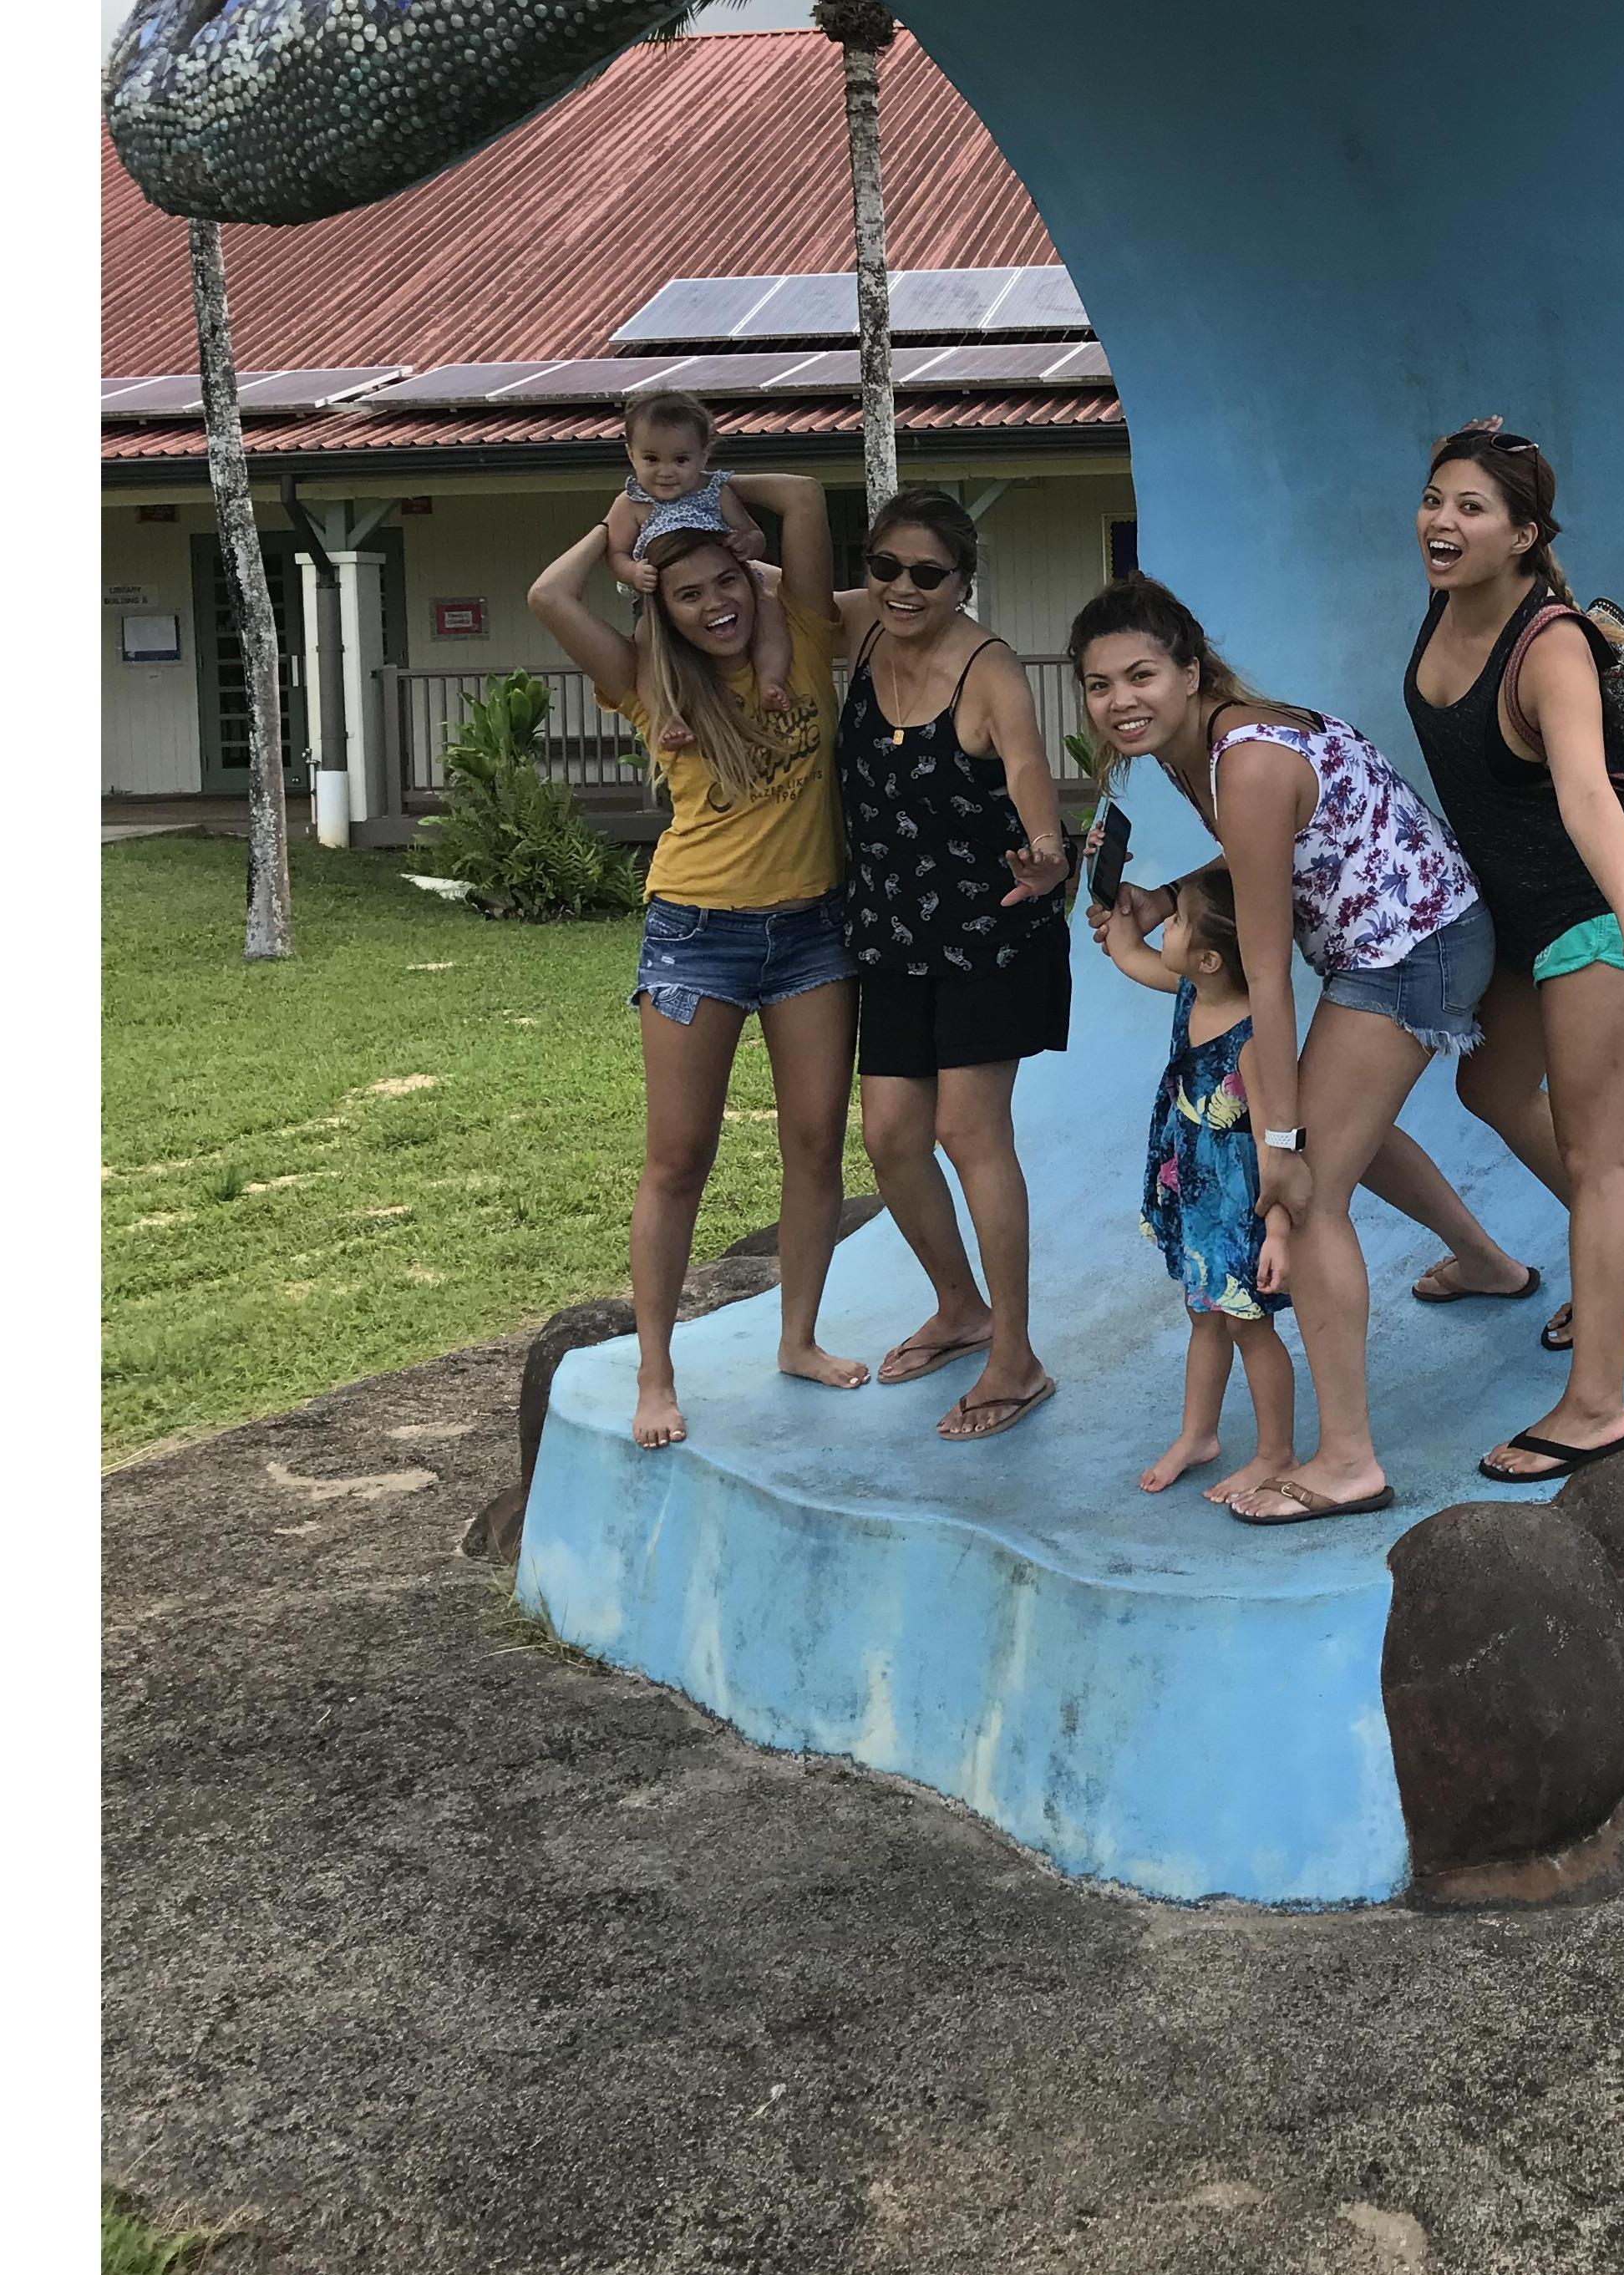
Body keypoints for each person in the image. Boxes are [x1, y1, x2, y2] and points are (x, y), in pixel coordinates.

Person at [1070, 575, 1531, 1526]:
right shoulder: (1196, 745)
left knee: (1309, 1182)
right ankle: (1487, 1262)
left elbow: (1270, 979)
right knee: (1336, 1130)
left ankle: (1350, 1461)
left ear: (1190, 672)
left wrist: (1277, 1139)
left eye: (1142, 675)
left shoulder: (1242, 761)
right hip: (1420, 926)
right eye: (1099, 684)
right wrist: (1164, 899)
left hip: (1413, 948)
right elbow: (1260, 852)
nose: (1121, 701)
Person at [1404, 419, 1624, 1481]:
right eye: (1435, 499)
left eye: (1471, 507)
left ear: (1524, 536)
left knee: (1603, 1159)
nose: (1442, 521)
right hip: (1515, 910)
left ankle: (1597, 1409)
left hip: (1600, 909)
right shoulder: (1448, 603)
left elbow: (1588, 788)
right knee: (1493, 1090)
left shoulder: (1549, 643)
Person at [525, 479, 868, 1447]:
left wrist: (693, 488)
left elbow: (805, 498)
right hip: (696, 936)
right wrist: (621, 523)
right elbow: (549, 599)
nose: (716, 603)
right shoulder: (645, 676)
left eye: (728, 582)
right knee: (678, 1160)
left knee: (813, 1148)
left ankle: (798, 1340)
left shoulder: (797, 632)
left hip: (813, 932)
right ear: (660, 607)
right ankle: (655, 1374)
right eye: (690, 593)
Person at [835, 490, 1074, 1441]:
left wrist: (1049, 848)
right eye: (884, 565)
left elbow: (1028, 772)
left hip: (990, 931)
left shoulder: (991, 669)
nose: (901, 587)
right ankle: (959, 1307)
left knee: (973, 1133)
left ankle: (1016, 1356)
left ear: (963, 581)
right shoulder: (858, 628)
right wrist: (654, 521)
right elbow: (741, 582)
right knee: (892, 1136)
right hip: (892, 935)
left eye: (926, 573)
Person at [1089, 865, 1302, 1506]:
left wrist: (1280, 1231)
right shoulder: (1194, 990)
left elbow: (1277, 1144)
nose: (1166, 926)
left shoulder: (1253, 1040)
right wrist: (1113, 901)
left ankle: (1276, 1452)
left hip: (1241, 1206)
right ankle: (1198, 1434)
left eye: (1175, 920)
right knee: (1200, 1315)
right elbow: (1128, 954)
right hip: (1192, 1191)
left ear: (1209, 958)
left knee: (1246, 1326)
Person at [601, 394, 791, 732]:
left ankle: (770, 680)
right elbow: (615, 554)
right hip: (659, 596)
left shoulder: (714, 491)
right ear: (631, 454)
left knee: (771, 610)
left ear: (704, 455)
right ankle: (667, 716)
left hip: (723, 582)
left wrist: (746, 541)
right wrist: (633, 571)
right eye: (651, 459)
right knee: (648, 645)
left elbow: (753, 532)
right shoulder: (631, 503)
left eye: (681, 460)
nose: (666, 472)